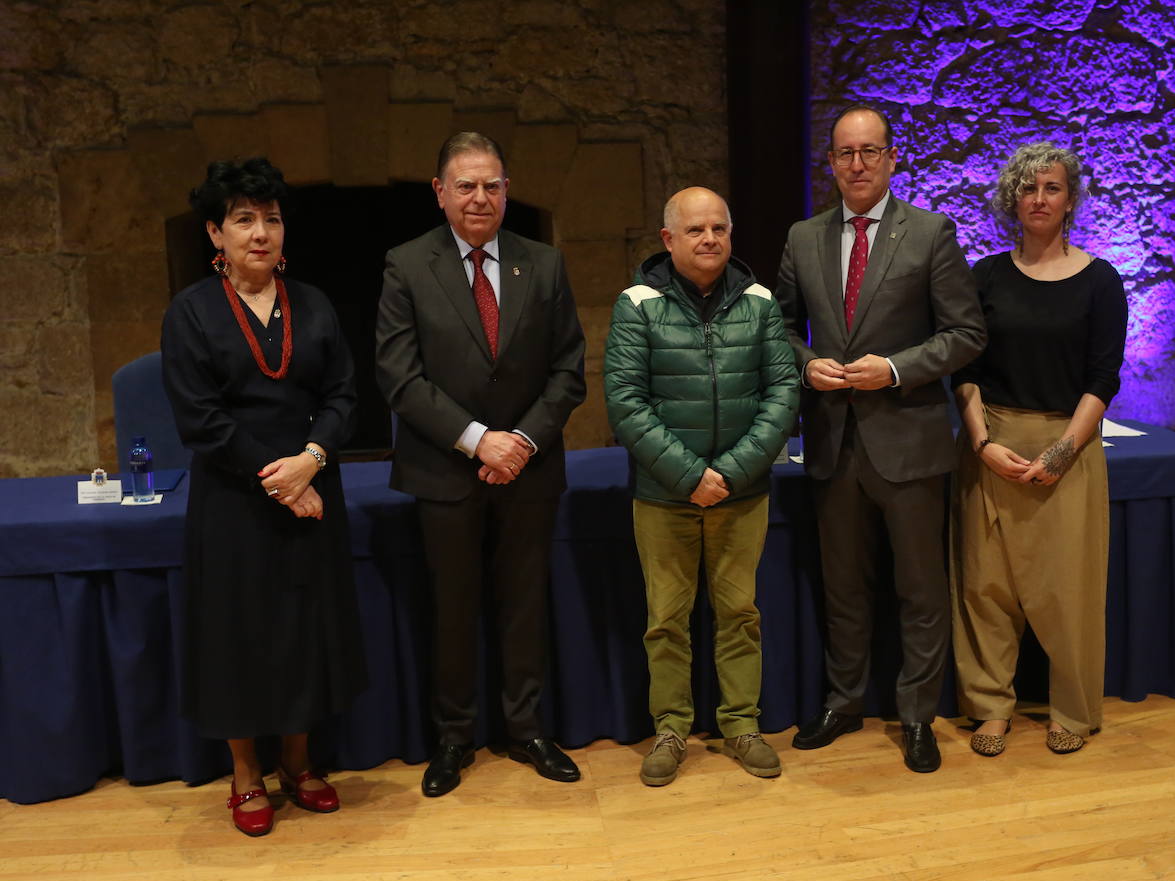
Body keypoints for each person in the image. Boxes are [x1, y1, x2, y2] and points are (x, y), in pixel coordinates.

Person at [776, 104, 986, 773]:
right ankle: (844, 702)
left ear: (893, 158)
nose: (858, 164)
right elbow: (776, 328)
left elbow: (965, 333)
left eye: (870, 152)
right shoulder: (803, 239)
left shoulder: (930, 233)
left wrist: (895, 369)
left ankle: (919, 714)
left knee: (920, 589)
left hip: (911, 442)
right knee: (843, 586)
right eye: (845, 153)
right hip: (833, 442)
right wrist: (805, 364)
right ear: (831, 163)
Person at [161, 157, 367, 837]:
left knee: (306, 628)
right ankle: (246, 774)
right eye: (244, 219)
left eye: (271, 219)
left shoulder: (313, 303)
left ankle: (300, 764)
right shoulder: (189, 313)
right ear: (216, 234)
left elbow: (342, 393)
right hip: (233, 498)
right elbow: (202, 420)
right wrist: (278, 481)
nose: (260, 232)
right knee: (238, 635)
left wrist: (309, 463)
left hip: (310, 481)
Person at [376, 132, 586, 796]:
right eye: (465, 185)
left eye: (492, 185)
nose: (480, 198)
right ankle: (454, 737)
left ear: (507, 189)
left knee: (525, 604)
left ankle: (526, 729)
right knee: (453, 607)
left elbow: (568, 371)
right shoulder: (406, 266)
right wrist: (476, 440)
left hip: (528, 470)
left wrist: (518, 442)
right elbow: (399, 377)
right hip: (445, 472)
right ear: (440, 193)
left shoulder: (544, 265)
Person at [604, 187, 800, 786]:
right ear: (668, 239)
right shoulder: (636, 303)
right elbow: (626, 402)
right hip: (665, 496)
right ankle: (671, 729)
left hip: (742, 495)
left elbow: (783, 393)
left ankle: (741, 724)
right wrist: (690, 476)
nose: (709, 239)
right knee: (667, 618)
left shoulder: (762, 302)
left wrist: (732, 472)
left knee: (740, 614)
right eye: (695, 230)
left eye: (719, 228)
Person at [950, 142, 1127, 756]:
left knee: (1069, 589)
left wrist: (1060, 454)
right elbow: (963, 369)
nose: (1039, 198)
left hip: (1069, 448)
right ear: (1012, 200)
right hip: (992, 444)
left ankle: (1072, 712)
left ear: (1071, 198)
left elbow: (1103, 378)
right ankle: (990, 706)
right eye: (1028, 188)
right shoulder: (986, 277)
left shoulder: (1102, 281)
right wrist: (982, 443)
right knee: (985, 585)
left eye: (1051, 187)